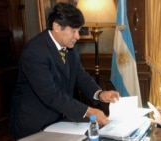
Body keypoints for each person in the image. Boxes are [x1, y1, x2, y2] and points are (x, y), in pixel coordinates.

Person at [8, 2, 120, 139]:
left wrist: (100, 93)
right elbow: (50, 94)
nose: (78, 36)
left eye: (78, 31)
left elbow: (80, 75)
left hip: (59, 120)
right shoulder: (34, 52)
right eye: (74, 31)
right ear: (56, 26)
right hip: (34, 124)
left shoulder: (70, 47)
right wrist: (89, 111)